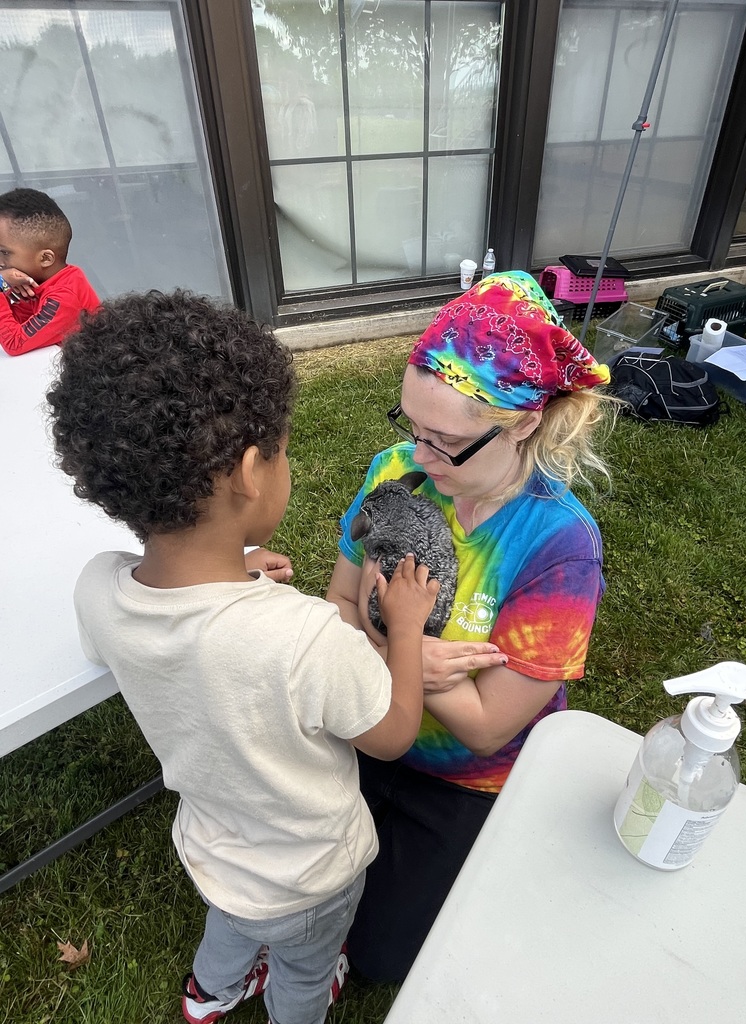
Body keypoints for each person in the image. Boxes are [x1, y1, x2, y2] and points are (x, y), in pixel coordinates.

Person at [46, 289, 440, 1024]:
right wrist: (408, 629)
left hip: (214, 855)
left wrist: (236, 570)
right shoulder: (305, 637)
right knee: (305, 966)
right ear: (251, 471)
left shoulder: (97, 587)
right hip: (311, 878)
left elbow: (173, 627)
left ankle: (210, 994)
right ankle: (298, 1006)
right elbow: (391, 734)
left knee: (229, 932)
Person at [326, 270, 616, 982]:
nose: (418, 457)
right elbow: (336, 605)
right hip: (367, 722)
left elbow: (488, 727)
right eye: (412, 426)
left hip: (468, 779)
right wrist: (410, 653)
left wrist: (388, 636)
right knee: (298, 892)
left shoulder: (558, 544)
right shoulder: (394, 472)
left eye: (445, 441)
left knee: (376, 957)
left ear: (522, 421)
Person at [0, 187, 99, 357]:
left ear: (45, 258)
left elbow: (14, 342)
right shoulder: (41, 281)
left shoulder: (63, 297)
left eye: (5, 253)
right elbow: (13, 319)